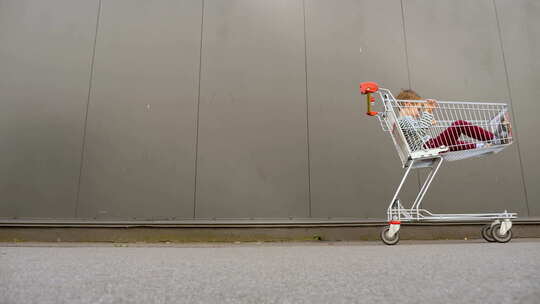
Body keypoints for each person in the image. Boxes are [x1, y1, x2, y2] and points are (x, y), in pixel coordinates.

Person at [396, 89, 510, 152]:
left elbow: (417, 131)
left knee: (452, 143)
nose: (418, 113)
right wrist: (427, 112)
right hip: (427, 147)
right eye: (418, 109)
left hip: (428, 145)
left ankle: (482, 146)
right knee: (459, 124)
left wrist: (428, 117)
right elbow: (419, 130)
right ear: (408, 104)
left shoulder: (405, 120)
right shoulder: (404, 119)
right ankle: (494, 139)